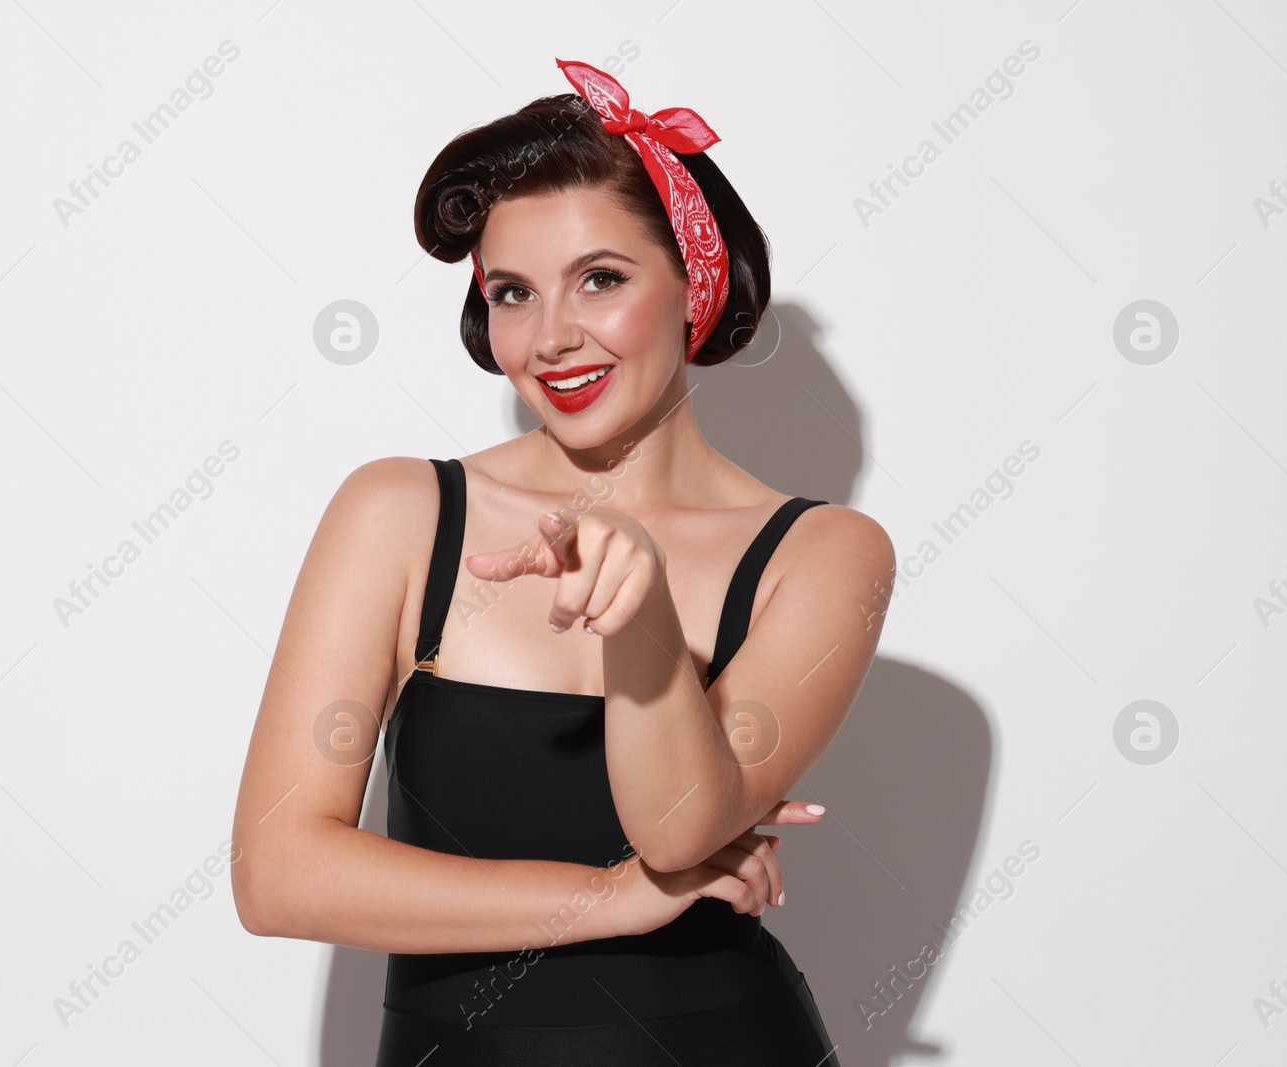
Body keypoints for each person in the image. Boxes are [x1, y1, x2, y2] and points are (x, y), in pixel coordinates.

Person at [232, 57, 894, 1065]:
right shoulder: (403, 511)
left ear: (693, 283)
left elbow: (677, 831)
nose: (551, 337)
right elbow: (277, 874)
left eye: (601, 279)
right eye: (511, 292)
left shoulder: (823, 553)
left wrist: (640, 624)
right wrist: (613, 896)